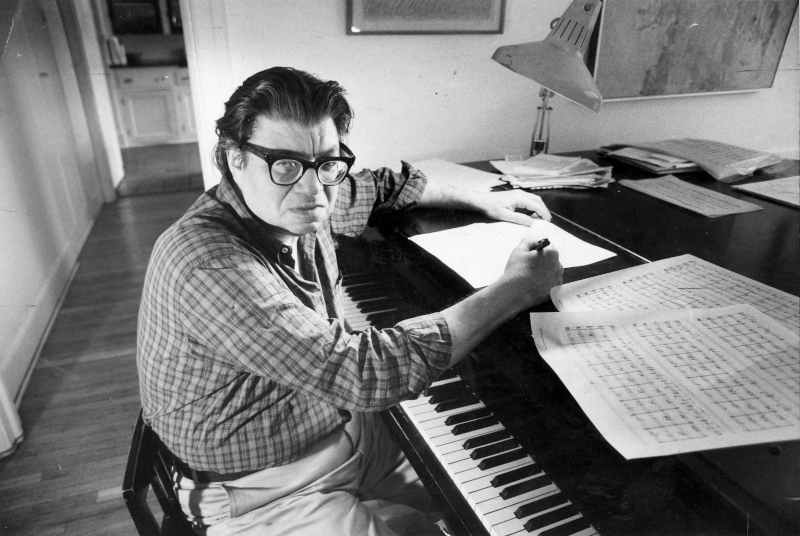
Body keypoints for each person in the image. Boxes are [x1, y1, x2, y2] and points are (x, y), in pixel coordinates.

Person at [137, 66, 563, 536]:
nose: (313, 190)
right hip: (260, 491)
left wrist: (480, 199)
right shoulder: (209, 263)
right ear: (234, 158)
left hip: (342, 431)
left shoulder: (300, 195)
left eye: (327, 163)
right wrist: (514, 289)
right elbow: (363, 372)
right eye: (285, 165)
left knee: (508, 494)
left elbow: (381, 185)